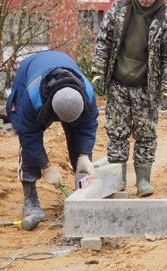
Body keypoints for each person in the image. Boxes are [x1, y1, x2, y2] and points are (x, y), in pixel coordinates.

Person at [91, 0, 167, 197]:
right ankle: (118, 180)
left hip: (146, 87)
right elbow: (103, 41)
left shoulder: (166, 19)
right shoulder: (119, 9)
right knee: (117, 133)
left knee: (146, 134)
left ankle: (142, 181)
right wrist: (98, 74)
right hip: (118, 83)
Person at [6, 51, 99, 230]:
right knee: (29, 147)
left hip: (61, 68)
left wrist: (84, 155)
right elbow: (28, 137)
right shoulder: (32, 99)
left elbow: (87, 126)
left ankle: (82, 192)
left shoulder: (87, 94)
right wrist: (46, 167)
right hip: (29, 72)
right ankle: (30, 199)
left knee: (79, 142)